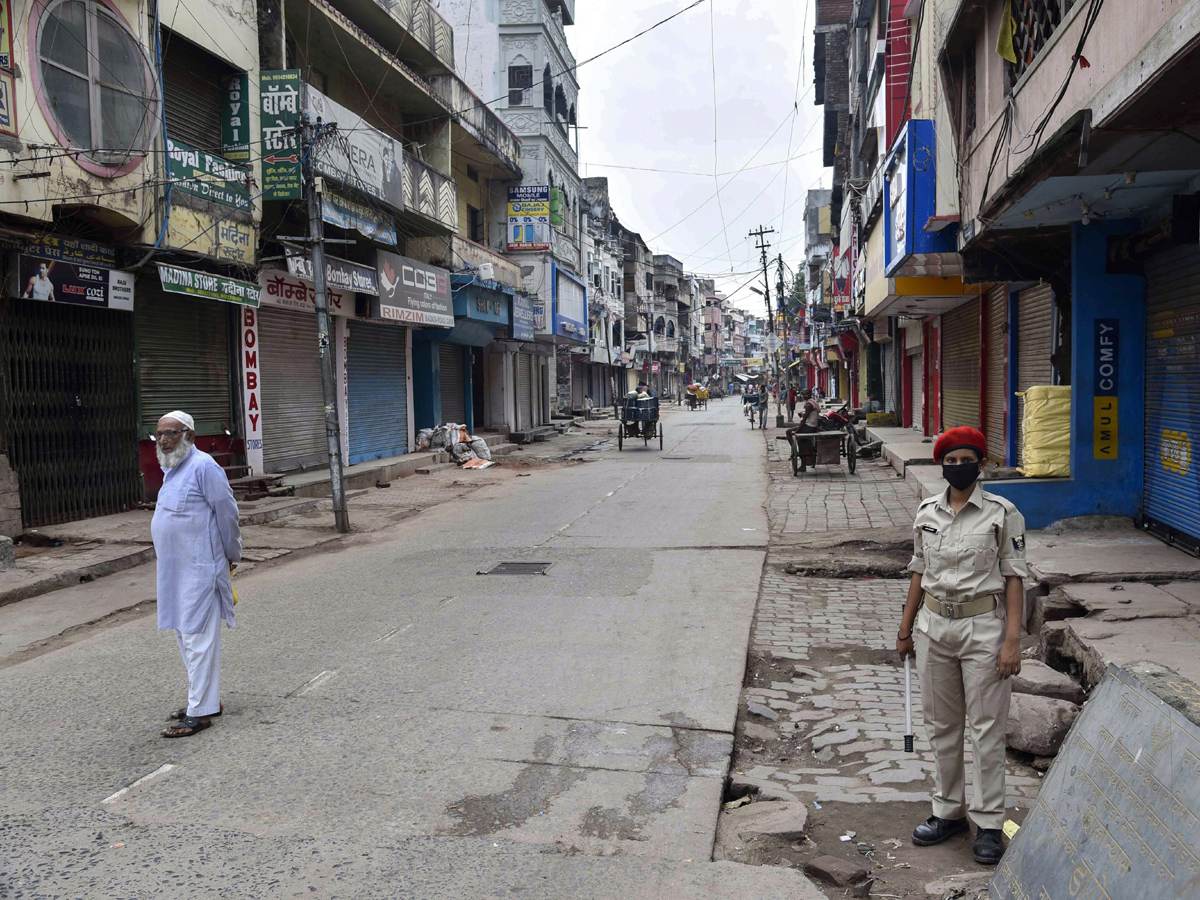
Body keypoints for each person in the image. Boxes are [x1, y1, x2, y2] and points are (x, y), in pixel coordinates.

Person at [896, 426, 1027, 866]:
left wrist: (1013, 640)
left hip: (984, 631)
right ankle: (947, 812)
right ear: (941, 466)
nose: (957, 467)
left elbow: (1014, 577)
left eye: (965, 459)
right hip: (934, 628)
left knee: (987, 730)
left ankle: (989, 822)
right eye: (949, 461)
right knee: (942, 726)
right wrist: (905, 629)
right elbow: (918, 570)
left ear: (981, 463)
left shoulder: (1002, 512)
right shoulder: (926, 512)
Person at [153, 411, 243, 738]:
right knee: (185, 634)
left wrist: (232, 554)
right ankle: (205, 700)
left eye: (171, 434)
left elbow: (227, 513)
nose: (163, 440)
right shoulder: (173, 468)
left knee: (198, 638)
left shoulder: (204, 467)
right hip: (175, 569)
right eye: (159, 434)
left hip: (201, 566)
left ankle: (200, 712)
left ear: (189, 435)